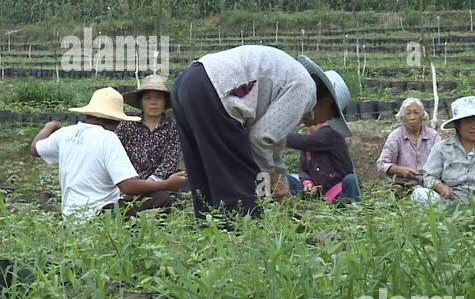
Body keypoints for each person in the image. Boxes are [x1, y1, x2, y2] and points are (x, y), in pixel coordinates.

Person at [170, 45, 352, 220]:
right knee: (240, 195)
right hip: (214, 90)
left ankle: (211, 239)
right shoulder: (306, 89)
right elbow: (259, 140)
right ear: (327, 102)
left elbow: (273, 147)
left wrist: (283, 190)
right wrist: (270, 184)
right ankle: (240, 242)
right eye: (329, 117)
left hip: (188, 84)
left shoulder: (292, 81)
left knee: (205, 184)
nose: (322, 123)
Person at [31, 87, 186, 222]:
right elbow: (128, 187)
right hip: (101, 215)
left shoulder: (65, 133)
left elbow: (35, 149)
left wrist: (49, 126)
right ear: (113, 120)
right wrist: (168, 184)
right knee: (162, 197)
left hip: (71, 216)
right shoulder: (108, 138)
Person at [412, 96, 475, 206]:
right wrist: (440, 187)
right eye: (467, 122)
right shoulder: (442, 148)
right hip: (451, 203)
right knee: (419, 194)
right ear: (458, 126)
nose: (473, 126)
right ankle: (448, 219)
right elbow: (428, 176)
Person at [115, 74, 183, 211]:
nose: (153, 102)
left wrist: (147, 185)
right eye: (148, 98)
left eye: (158, 98)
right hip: (128, 186)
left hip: (162, 186)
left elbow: (170, 160)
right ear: (141, 103)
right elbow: (115, 155)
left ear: (165, 102)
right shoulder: (126, 126)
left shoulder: (173, 127)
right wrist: (131, 185)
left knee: (165, 198)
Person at [285, 120, 360, 203]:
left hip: (337, 190)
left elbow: (306, 141)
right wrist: (307, 183)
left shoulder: (331, 133)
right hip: (316, 194)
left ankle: (348, 205)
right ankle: (299, 204)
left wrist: (277, 136)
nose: (306, 127)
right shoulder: (309, 145)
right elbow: (303, 169)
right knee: (285, 178)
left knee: (352, 179)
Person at [376, 98, 442, 187]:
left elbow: (443, 160)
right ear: (402, 117)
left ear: (423, 116)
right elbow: (381, 164)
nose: (412, 117)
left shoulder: (433, 136)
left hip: (432, 184)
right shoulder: (395, 136)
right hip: (405, 185)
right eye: (408, 113)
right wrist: (401, 170)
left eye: (416, 113)